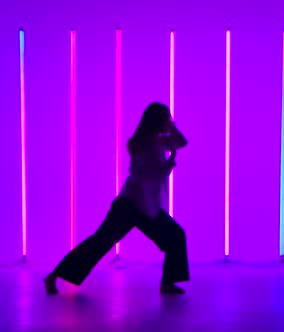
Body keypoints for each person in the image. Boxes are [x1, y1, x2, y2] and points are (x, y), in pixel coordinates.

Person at [44, 102, 189, 295]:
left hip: (136, 204)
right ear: (158, 121)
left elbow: (182, 142)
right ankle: (54, 276)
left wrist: (172, 129)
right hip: (134, 205)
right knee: (101, 243)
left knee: (100, 243)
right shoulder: (148, 144)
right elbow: (153, 175)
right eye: (167, 118)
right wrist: (171, 162)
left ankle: (54, 276)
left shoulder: (153, 141)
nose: (169, 121)